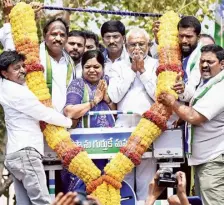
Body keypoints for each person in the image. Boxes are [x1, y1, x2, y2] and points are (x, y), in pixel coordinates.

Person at [0, 51, 73, 205]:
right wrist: (68, 122)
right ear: (4, 73)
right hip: (26, 153)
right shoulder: (17, 92)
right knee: (42, 201)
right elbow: (44, 113)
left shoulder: (5, 87)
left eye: (22, 66)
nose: (22, 70)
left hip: (14, 155)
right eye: (16, 68)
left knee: (24, 203)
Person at [158, 44, 224, 205]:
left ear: (222, 64)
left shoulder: (220, 88)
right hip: (205, 159)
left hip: (213, 159)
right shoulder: (207, 82)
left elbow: (195, 116)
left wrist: (173, 103)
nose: (204, 65)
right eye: (202, 61)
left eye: (210, 62)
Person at [108, 27, 158, 200]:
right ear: (126, 46)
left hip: (148, 127)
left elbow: (158, 95)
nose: (137, 48)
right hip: (123, 127)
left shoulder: (155, 65)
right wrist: (132, 70)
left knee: (146, 178)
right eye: (133, 44)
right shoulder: (118, 66)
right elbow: (114, 95)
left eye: (141, 44)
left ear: (149, 45)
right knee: (124, 177)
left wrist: (143, 72)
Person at [62, 50, 116, 193]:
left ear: (103, 68)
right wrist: (94, 101)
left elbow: (116, 110)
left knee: (105, 191)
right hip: (83, 148)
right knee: (81, 192)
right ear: (82, 67)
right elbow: (69, 111)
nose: (92, 70)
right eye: (87, 67)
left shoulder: (108, 81)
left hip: (108, 147)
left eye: (96, 67)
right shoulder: (78, 84)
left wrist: (107, 99)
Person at [40, 17, 75, 113]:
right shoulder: (35, 56)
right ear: (44, 35)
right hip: (38, 118)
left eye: (62, 35)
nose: (58, 39)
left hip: (64, 120)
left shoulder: (70, 62)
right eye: (54, 34)